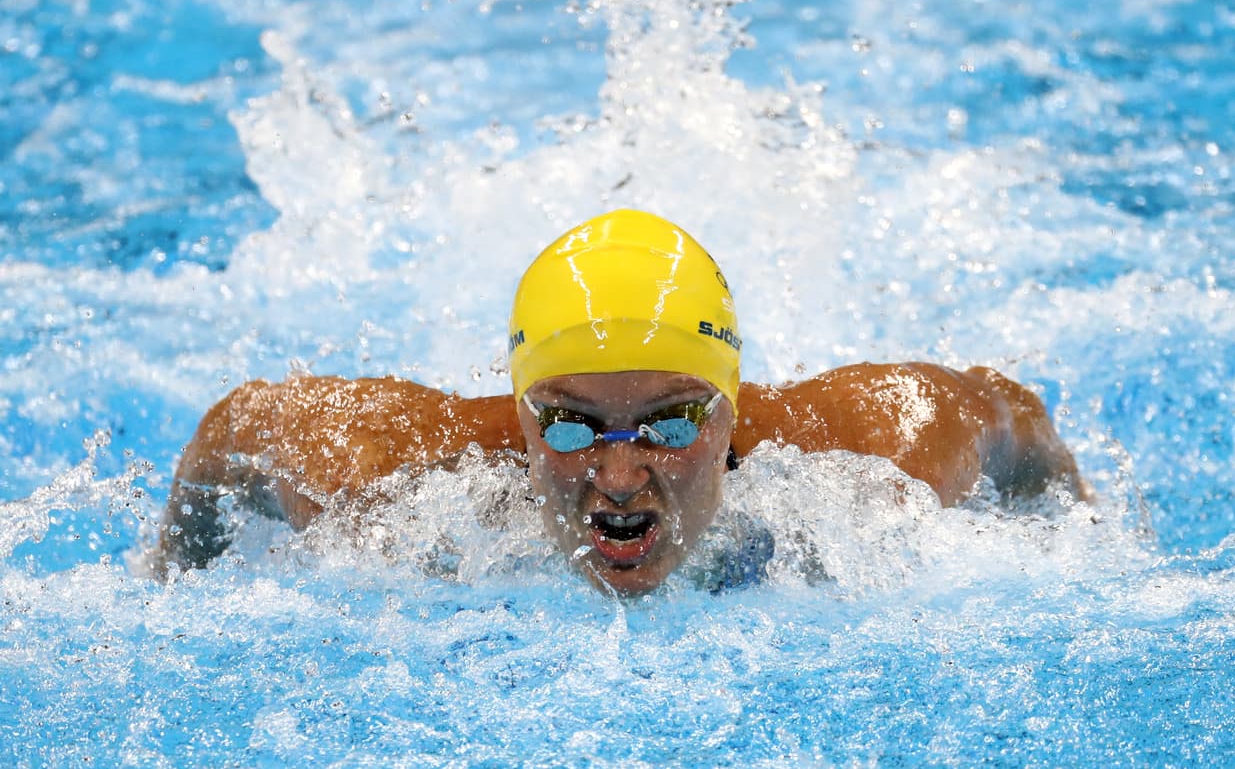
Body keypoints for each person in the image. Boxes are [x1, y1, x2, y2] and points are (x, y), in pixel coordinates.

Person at [155, 209, 1086, 594]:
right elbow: (233, 427)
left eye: (673, 423)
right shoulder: (382, 480)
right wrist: (170, 580)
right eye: (568, 423)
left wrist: (1080, 535)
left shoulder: (886, 454)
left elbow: (1013, 414)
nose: (618, 473)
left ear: (729, 412)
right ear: (519, 415)